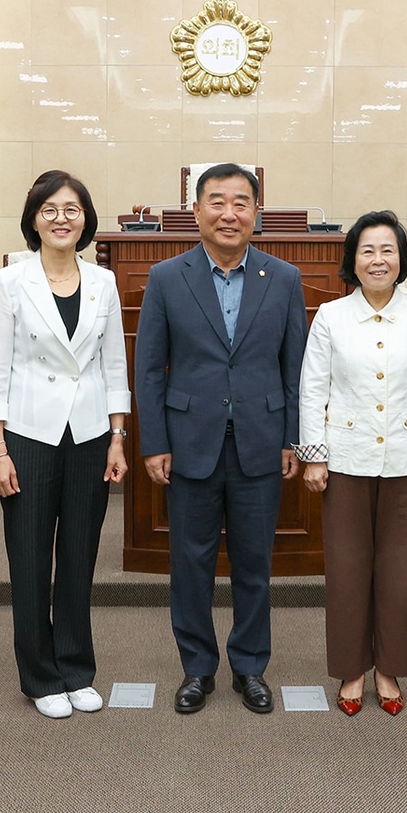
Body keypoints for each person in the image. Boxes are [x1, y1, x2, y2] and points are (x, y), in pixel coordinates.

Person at [134, 162, 306, 714]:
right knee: (191, 563)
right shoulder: (166, 277)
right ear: (196, 211)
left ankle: (251, 667)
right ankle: (196, 668)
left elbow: (295, 368)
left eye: (240, 202)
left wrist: (293, 437)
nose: (228, 213)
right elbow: (149, 368)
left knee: (255, 562)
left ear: (257, 212)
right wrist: (154, 442)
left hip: (261, 438)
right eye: (216, 201)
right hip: (189, 442)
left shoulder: (283, 278)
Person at [0, 170, 130, 720]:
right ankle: (39, 675)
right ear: (33, 220)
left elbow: (115, 365)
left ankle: (75, 668)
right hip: (28, 435)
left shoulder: (104, 282)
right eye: (50, 209)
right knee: (28, 557)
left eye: (72, 209)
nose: (61, 218)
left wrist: (118, 437)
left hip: (90, 435)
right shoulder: (11, 281)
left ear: (86, 219)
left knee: (77, 557)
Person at [295, 211, 407, 716]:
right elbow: (312, 389)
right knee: (346, 570)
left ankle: (388, 668)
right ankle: (351, 668)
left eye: (388, 250)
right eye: (367, 250)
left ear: (402, 260)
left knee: (401, 572)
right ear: (353, 261)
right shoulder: (330, 316)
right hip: (345, 459)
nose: (378, 259)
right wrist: (314, 455)